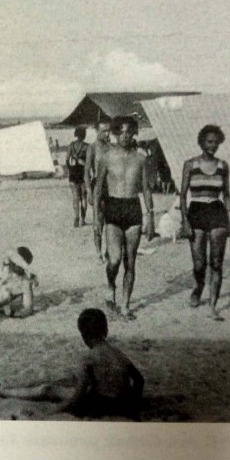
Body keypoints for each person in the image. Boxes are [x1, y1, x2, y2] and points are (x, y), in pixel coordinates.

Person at [0, 308, 144, 420]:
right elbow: (139, 381)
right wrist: (133, 404)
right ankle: (3, 389)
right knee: (68, 380)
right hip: (123, 402)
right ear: (106, 331)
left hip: (101, 405)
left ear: (83, 336)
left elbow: (77, 397)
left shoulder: (88, 358)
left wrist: (50, 413)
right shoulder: (118, 354)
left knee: (48, 389)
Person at [93, 116, 155, 320]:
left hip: (132, 209)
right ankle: (111, 284)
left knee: (130, 262)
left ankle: (126, 305)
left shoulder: (141, 158)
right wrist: (96, 218)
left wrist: (150, 215)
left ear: (135, 133)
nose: (125, 135)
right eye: (120, 132)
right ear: (114, 133)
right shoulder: (106, 157)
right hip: (113, 207)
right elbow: (98, 188)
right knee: (114, 260)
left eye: (129, 132)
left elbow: (146, 188)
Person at [179, 125, 230, 321]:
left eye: (216, 142)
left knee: (217, 263)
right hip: (196, 212)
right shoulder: (190, 164)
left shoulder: (223, 166)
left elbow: (227, 195)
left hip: (217, 212)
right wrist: (185, 221)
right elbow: (182, 195)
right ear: (201, 142)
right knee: (199, 264)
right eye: (209, 142)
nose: (213, 146)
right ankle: (198, 286)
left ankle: (213, 307)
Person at [85, 120, 111, 262]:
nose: (107, 134)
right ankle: (98, 252)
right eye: (103, 131)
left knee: (111, 222)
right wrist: (89, 190)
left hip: (111, 187)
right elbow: (86, 172)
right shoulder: (93, 148)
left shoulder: (112, 147)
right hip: (98, 187)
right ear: (97, 131)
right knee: (97, 221)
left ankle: (108, 251)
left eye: (108, 130)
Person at [66, 127, 89, 227]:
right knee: (83, 197)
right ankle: (83, 219)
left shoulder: (71, 145)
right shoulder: (87, 147)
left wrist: (70, 169)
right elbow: (89, 162)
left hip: (73, 173)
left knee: (75, 197)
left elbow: (67, 159)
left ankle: (76, 216)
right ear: (84, 135)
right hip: (83, 174)